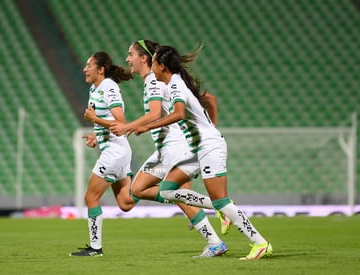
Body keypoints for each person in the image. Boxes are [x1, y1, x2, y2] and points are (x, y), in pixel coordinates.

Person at [134, 45, 273, 260]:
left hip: (209, 147)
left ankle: (259, 242)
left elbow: (179, 113)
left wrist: (147, 126)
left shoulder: (175, 86)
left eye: (153, 63)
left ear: (162, 66)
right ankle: (217, 207)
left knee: (221, 200)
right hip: (197, 148)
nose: (151, 67)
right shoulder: (175, 82)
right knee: (168, 190)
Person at [110, 40, 227, 258]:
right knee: (148, 191)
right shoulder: (158, 80)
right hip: (167, 148)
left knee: (156, 192)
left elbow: (155, 113)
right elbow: (208, 99)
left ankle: (218, 219)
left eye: (130, 54)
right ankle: (219, 214)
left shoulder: (154, 81)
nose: (127, 59)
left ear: (144, 58)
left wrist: (129, 126)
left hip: (174, 147)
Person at [70, 51, 137, 257]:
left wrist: (95, 120)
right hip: (115, 148)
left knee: (91, 197)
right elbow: (108, 122)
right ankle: (166, 190)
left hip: (115, 151)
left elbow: (121, 122)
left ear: (100, 70)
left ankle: (96, 248)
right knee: (126, 203)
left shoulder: (109, 86)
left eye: (89, 65)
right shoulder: (95, 88)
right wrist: (97, 137)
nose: (84, 69)